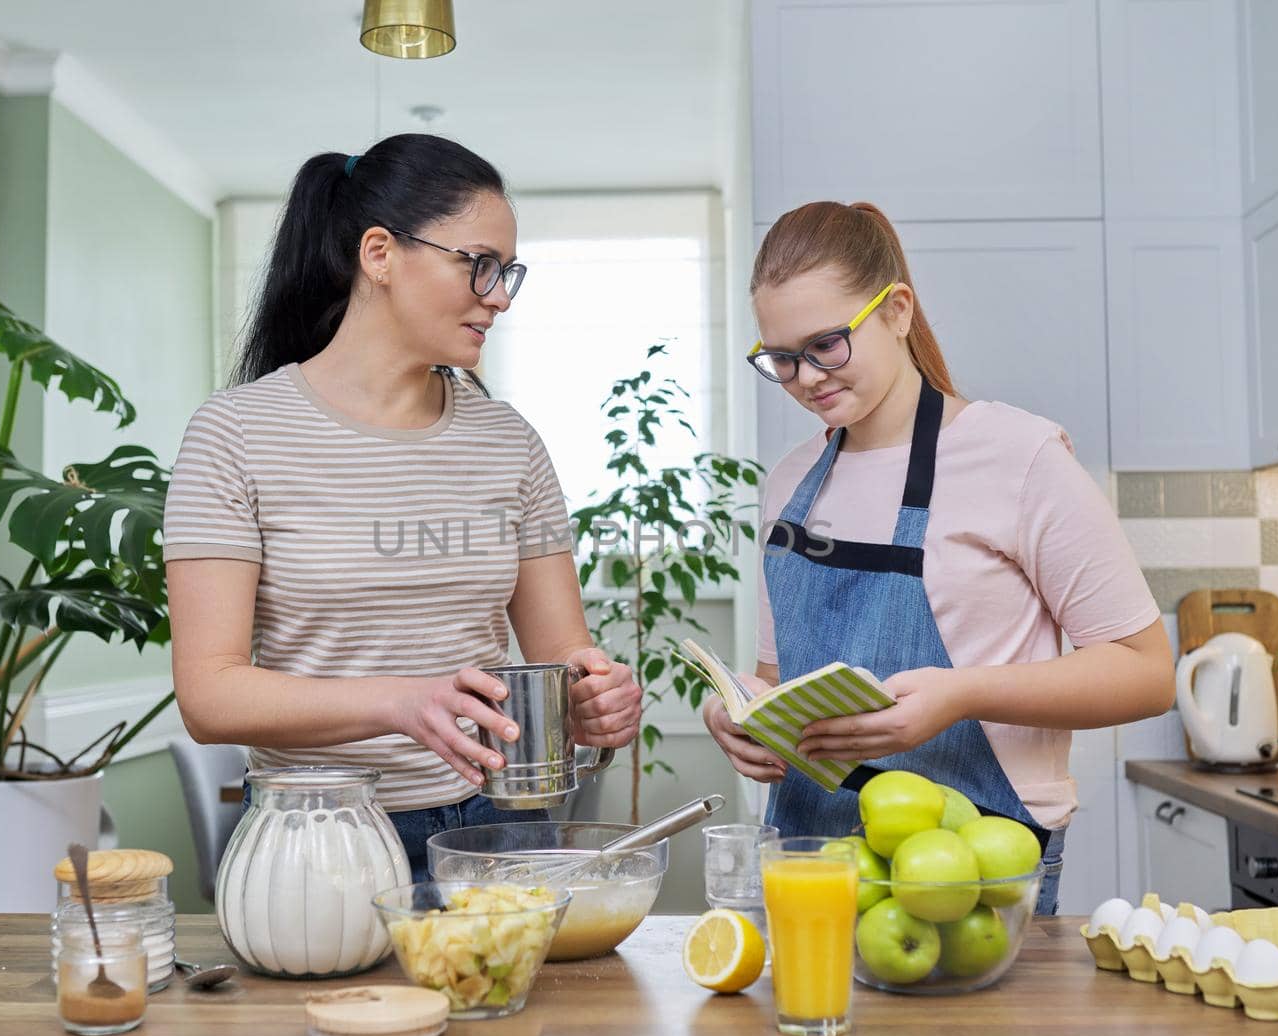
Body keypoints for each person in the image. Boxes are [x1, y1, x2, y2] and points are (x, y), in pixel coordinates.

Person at [164, 134, 642, 878]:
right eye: (478, 264)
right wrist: (398, 702)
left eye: (508, 271)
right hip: (320, 836)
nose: (500, 295)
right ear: (380, 253)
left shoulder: (510, 442)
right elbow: (209, 694)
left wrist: (595, 703)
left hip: (498, 829)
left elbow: (562, 660)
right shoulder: (235, 434)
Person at [701, 200, 1174, 914]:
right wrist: (736, 714)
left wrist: (961, 695)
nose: (805, 377)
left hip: (974, 874)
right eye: (782, 358)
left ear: (896, 310)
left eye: (827, 344)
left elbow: (1146, 672)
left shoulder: (1021, 457)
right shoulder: (788, 484)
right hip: (813, 864)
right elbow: (779, 682)